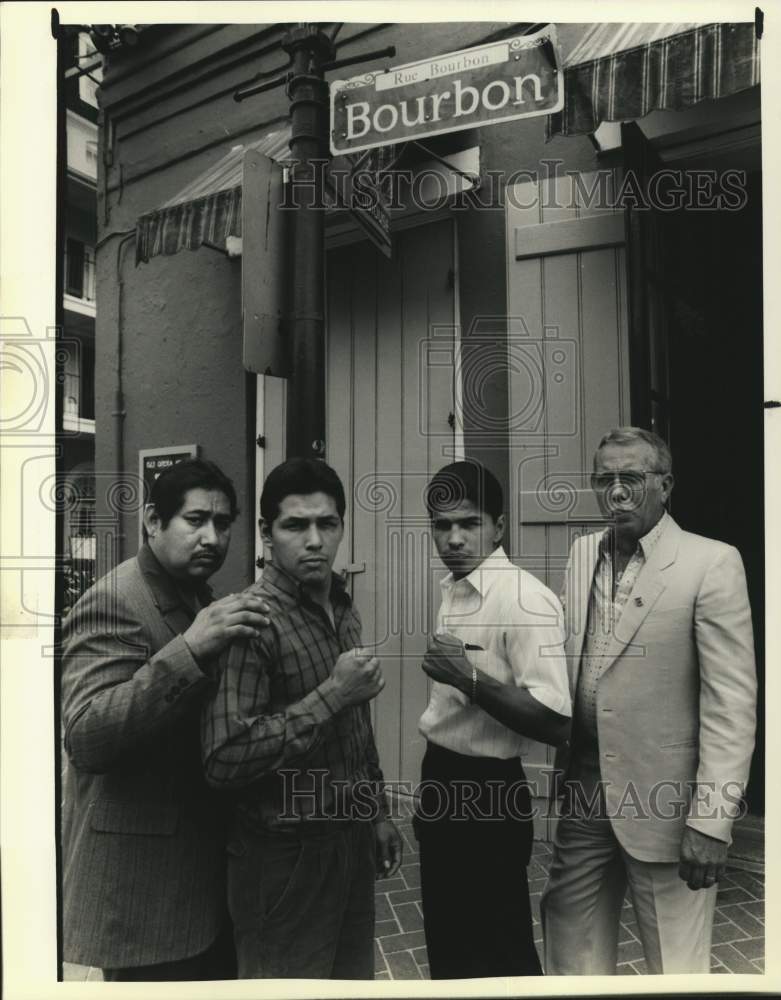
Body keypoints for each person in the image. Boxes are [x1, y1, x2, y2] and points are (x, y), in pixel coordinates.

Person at [541, 427, 757, 975]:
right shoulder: (582, 552)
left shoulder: (711, 563)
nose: (616, 492)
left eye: (632, 479)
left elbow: (732, 705)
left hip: (667, 802)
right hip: (586, 791)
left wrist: (711, 820)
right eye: (605, 479)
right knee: (571, 953)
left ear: (665, 486)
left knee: (676, 968)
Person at [61, 458, 271, 981]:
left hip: (200, 885)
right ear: (153, 521)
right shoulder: (115, 601)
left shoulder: (199, 596)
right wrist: (191, 650)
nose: (212, 537)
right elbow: (86, 736)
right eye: (195, 520)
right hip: (144, 895)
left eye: (223, 524)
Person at [202, 457, 403, 979]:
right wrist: (333, 694)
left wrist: (375, 810)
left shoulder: (342, 604)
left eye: (327, 524)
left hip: (348, 842)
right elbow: (225, 758)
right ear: (268, 533)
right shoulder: (251, 621)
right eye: (296, 526)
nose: (314, 540)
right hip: (282, 857)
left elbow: (355, 728)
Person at [415, 460, 571, 979]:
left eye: (469, 523)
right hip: (440, 777)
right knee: (449, 943)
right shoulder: (456, 588)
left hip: (488, 793)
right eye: (442, 525)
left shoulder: (526, 600)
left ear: (499, 527)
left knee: (499, 950)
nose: (454, 538)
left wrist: (468, 679)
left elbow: (556, 721)